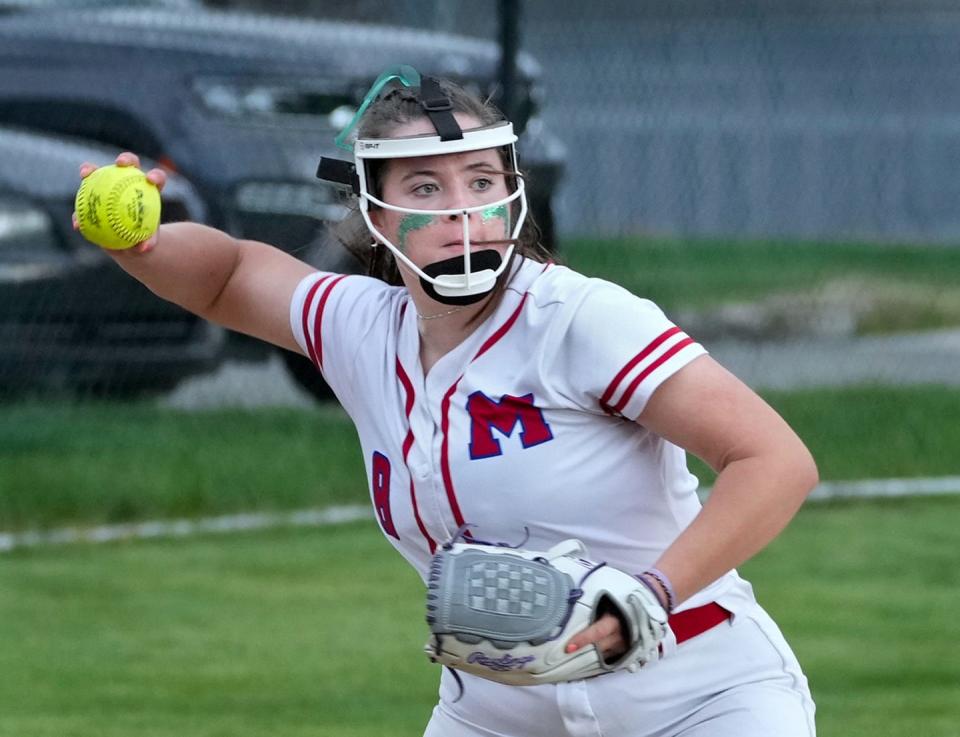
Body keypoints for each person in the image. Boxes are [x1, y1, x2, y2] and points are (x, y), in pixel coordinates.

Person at [75, 66, 819, 737]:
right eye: (425, 187)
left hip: (699, 697)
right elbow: (228, 275)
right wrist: (140, 245)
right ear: (377, 213)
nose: (461, 209)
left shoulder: (577, 318)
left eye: (481, 180)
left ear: (511, 191)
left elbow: (775, 460)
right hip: (497, 711)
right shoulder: (364, 330)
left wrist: (648, 595)